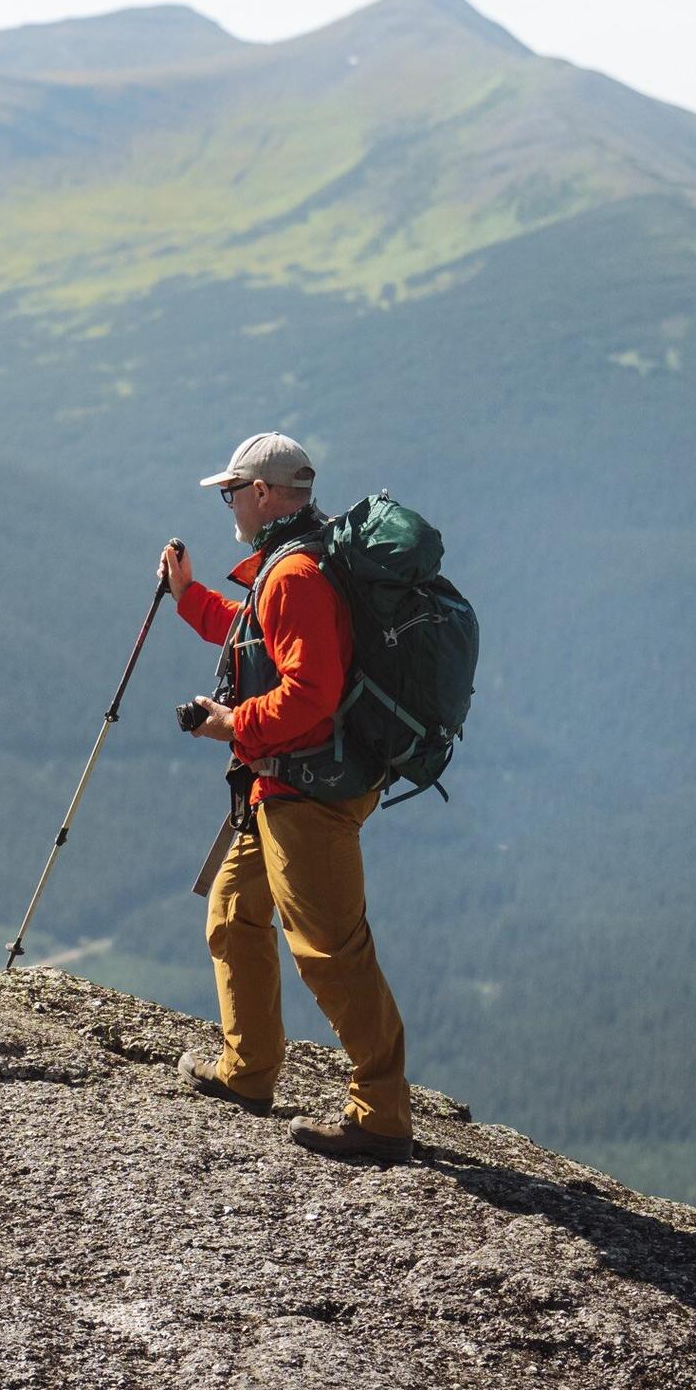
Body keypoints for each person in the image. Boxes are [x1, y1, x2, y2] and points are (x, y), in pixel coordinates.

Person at [161, 430, 417, 1165]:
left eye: (231, 492)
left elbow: (310, 693)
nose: (228, 503)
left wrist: (230, 724)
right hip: (282, 784)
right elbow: (252, 638)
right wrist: (187, 598)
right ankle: (248, 1074)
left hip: (309, 791)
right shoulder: (294, 560)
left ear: (264, 493)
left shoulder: (294, 575)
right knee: (235, 910)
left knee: (331, 951)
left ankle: (382, 1115)